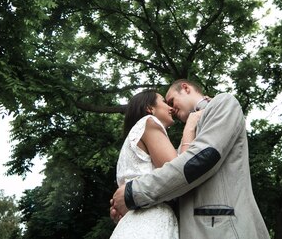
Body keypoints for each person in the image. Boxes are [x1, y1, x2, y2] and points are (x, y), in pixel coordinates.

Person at [111, 79, 270, 239]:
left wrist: (133, 194)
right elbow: (173, 177)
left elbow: (201, 159)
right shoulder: (181, 143)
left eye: (171, 100)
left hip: (223, 230)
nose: (171, 108)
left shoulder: (222, 102)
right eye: (166, 103)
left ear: (185, 88)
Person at [110, 89, 203, 239]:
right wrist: (190, 126)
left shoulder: (131, 140)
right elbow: (178, 172)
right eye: (165, 102)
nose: (170, 108)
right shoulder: (148, 122)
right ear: (149, 108)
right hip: (150, 221)